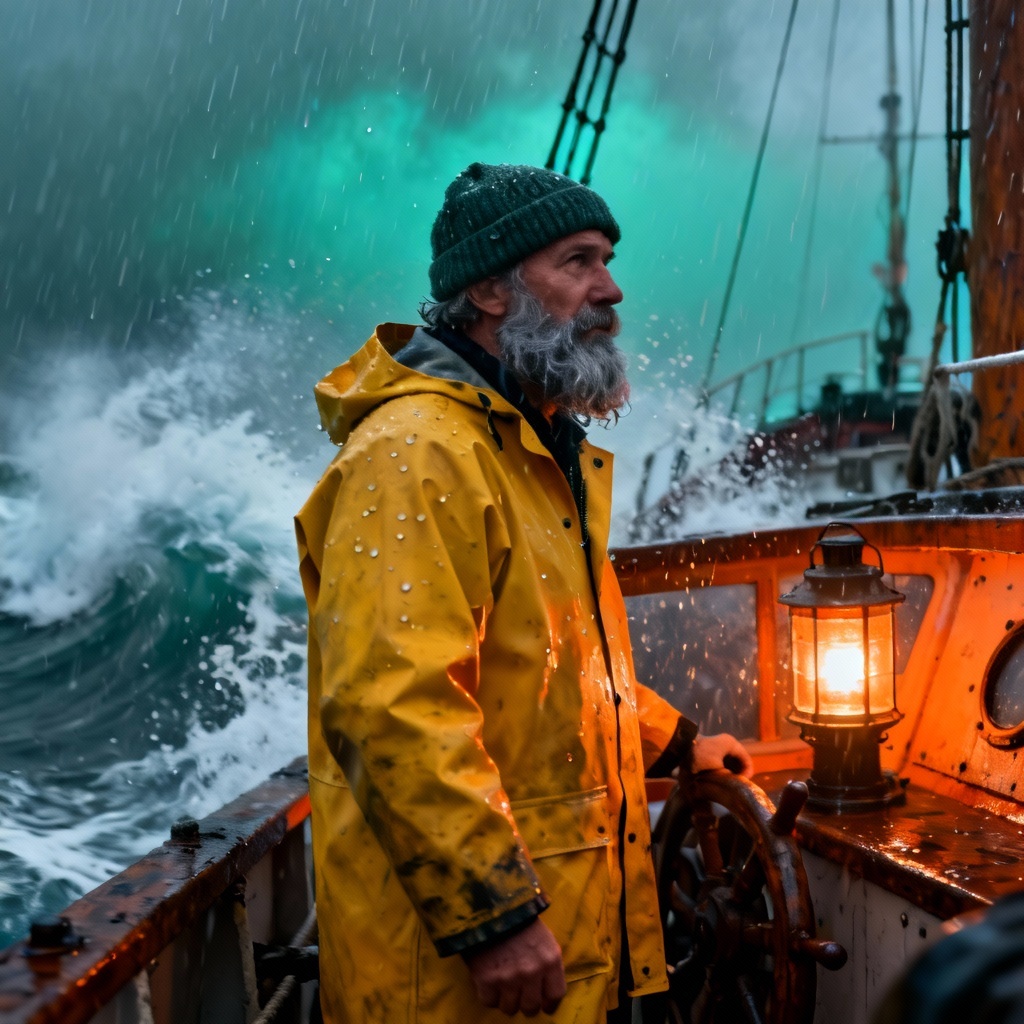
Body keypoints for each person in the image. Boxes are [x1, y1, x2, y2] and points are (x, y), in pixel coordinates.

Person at [294, 161, 753, 1024]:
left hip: (564, 947)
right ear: (491, 291)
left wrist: (678, 742)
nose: (610, 288)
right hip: (462, 976)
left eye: (607, 259)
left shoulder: (531, 448)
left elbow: (551, 662)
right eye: (577, 261)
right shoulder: (420, 452)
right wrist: (492, 917)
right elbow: (391, 703)